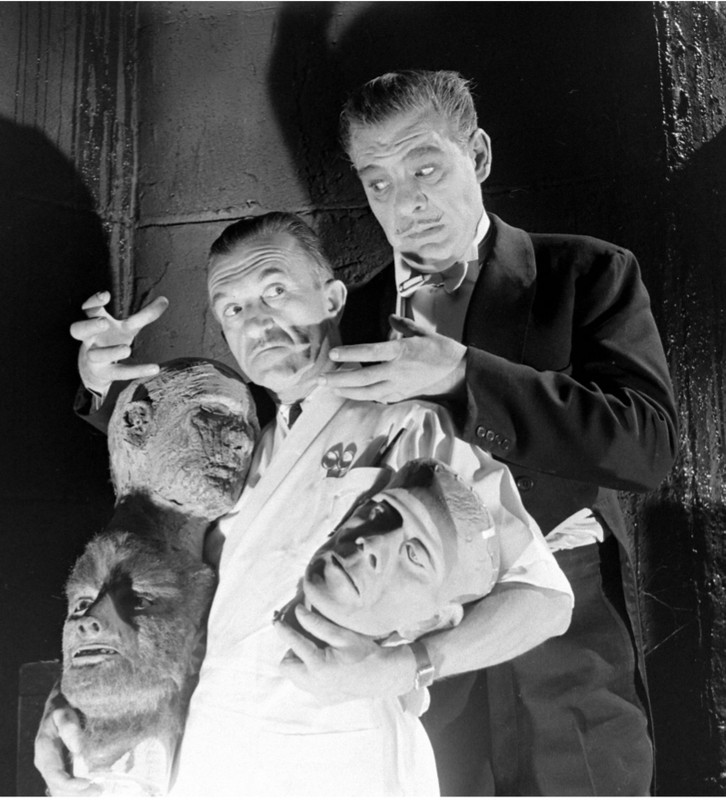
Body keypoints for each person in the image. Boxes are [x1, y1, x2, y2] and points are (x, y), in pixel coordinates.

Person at [38, 212, 573, 796]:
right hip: (212, 761)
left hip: (339, 757)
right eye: (232, 309)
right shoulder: (240, 456)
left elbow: (544, 600)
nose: (256, 321)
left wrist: (409, 666)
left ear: (333, 299)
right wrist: (71, 705)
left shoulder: (407, 421)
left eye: (275, 291)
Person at [318, 70, 679, 795]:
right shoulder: (349, 320)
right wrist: (111, 391)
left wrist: (461, 373)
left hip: (568, 620)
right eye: (379, 183)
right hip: (410, 639)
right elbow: (274, 446)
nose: (406, 203)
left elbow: (646, 447)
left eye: (425, 168)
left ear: (477, 156)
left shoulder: (587, 272)